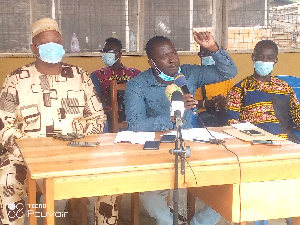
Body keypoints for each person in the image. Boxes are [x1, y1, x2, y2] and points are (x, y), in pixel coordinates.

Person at [0, 18, 106, 225]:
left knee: (112, 180)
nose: (53, 49)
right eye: (46, 45)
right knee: (6, 180)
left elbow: (98, 117)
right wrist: (33, 151)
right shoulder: (16, 80)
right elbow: (5, 125)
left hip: (76, 152)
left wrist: (77, 141)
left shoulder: (80, 77)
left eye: (57, 43)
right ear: (33, 48)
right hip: (26, 157)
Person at [124, 32, 237, 225]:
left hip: (193, 144)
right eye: (164, 56)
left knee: (231, 185)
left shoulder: (189, 73)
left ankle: (198, 223)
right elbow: (135, 125)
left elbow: (229, 72)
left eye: (174, 53)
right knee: (149, 195)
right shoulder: (137, 85)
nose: (172, 59)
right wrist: (174, 113)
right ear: (152, 62)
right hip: (158, 148)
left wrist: (213, 48)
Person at [226, 39, 300, 143]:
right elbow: (232, 122)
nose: (264, 61)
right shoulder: (240, 89)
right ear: (253, 57)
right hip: (256, 143)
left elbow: (297, 116)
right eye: (260, 57)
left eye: (269, 58)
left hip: (286, 142)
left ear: (275, 60)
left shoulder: (284, 88)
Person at [90, 37, 140, 131]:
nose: (106, 54)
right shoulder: (96, 75)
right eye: (104, 51)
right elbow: (95, 102)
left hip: (133, 114)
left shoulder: (135, 74)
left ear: (120, 53)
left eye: (110, 51)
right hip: (109, 117)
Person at [193, 46, 234, 128]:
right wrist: (206, 103)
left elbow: (233, 96)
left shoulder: (224, 77)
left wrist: (223, 101)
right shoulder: (195, 76)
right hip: (203, 112)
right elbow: (187, 102)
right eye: (205, 54)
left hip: (223, 111)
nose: (209, 56)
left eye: (211, 53)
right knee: (211, 122)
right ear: (200, 55)